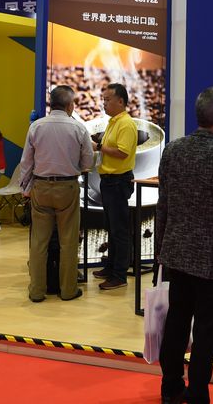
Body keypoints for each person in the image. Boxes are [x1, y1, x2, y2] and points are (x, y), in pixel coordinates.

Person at [156, 87, 213, 404]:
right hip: (212, 261)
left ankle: (170, 388)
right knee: (206, 331)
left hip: (176, 253)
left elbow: (163, 205)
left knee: (177, 322)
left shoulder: (172, 150)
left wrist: (161, 249)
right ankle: (198, 393)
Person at [18, 86, 94, 302]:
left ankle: (36, 291)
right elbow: (88, 162)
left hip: (41, 187)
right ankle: (68, 290)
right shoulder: (79, 128)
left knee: (39, 242)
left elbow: (26, 162)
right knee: (68, 241)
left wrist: (25, 189)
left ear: (51, 104)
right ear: (70, 106)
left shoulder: (36, 127)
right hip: (68, 187)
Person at [92, 83, 138, 290]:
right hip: (109, 181)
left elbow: (122, 152)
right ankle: (111, 267)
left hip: (118, 181)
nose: (104, 103)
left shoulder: (126, 124)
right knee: (111, 227)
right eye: (103, 99)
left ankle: (119, 275)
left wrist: (99, 146)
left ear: (121, 101)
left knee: (119, 230)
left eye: (108, 99)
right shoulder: (113, 122)